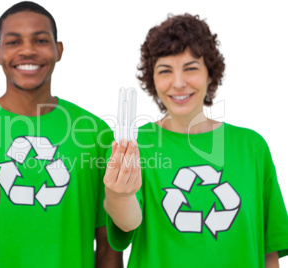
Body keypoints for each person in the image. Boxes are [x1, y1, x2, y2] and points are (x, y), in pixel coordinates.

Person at [0, 2, 122, 267]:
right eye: (13, 42)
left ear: (59, 50)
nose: (28, 51)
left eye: (41, 40)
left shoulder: (95, 133)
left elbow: (108, 247)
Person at [103, 14, 288, 268]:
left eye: (190, 68)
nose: (178, 83)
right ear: (152, 79)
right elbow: (127, 223)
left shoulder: (252, 147)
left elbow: (269, 251)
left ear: (210, 74)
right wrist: (118, 195)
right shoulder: (137, 145)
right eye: (165, 70)